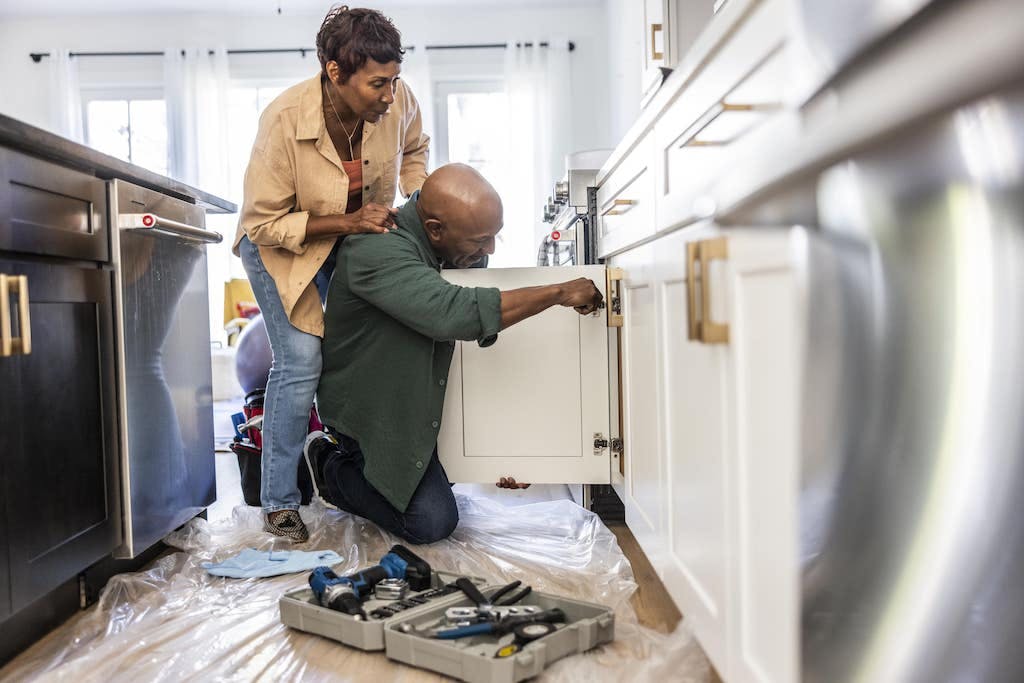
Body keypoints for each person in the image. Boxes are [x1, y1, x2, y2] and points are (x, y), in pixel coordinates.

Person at [304, 164, 604, 545]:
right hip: (373, 412)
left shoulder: (452, 249)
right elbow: (455, 314)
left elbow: (486, 348)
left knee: (437, 488)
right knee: (430, 520)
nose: (489, 251)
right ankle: (326, 466)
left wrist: (515, 450)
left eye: (494, 238)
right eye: (481, 240)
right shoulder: (376, 246)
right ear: (434, 229)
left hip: (422, 391)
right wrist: (557, 293)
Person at [233, 5, 429, 542]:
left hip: (353, 239)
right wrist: (348, 219)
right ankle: (279, 502)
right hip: (282, 246)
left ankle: (344, 467)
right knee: (300, 362)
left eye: (394, 81)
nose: (389, 95)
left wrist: (416, 194)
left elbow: (415, 146)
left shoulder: (398, 98)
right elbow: (263, 222)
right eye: (377, 85)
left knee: (360, 348)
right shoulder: (282, 119)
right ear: (334, 72)